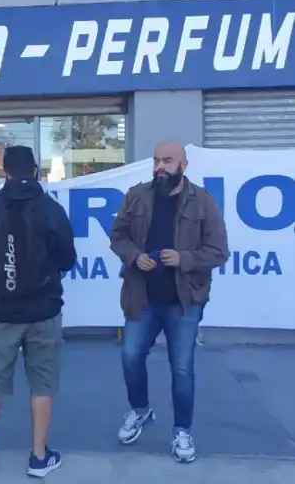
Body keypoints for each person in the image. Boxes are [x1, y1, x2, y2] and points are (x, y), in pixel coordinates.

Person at [0, 145, 76, 478]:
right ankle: (39, 456)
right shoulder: (52, 210)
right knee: (43, 383)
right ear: (36, 172)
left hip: (0, 312)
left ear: (5, 172)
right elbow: (67, 259)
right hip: (44, 311)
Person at [109, 141, 229, 463]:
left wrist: (184, 258)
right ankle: (141, 412)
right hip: (142, 295)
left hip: (184, 300)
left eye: (167, 161)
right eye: (156, 160)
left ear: (183, 165)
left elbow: (219, 251)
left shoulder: (203, 202)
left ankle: (182, 431)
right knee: (131, 357)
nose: (160, 166)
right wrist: (134, 257)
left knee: (182, 368)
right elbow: (117, 235)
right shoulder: (136, 195)